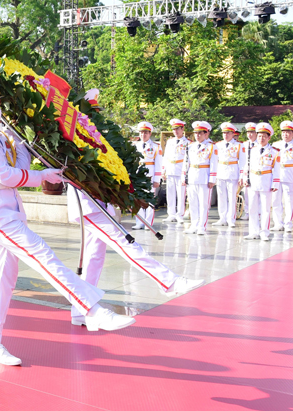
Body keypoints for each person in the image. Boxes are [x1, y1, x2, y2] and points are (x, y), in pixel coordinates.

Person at [0, 72, 134, 366]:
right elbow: (8, 175)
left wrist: (26, 141)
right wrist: (42, 176)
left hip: (12, 211)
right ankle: (92, 309)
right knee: (43, 255)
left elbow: (21, 163)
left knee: (4, 281)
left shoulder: (0, 134)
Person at [67, 186, 204, 326]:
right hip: (87, 204)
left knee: (94, 257)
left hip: (97, 204)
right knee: (124, 242)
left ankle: (80, 310)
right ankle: (169, 281)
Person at [243, 123, 280, 241]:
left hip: (266, 180)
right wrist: (245, 178)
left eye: (264, 136)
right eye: (259, 136)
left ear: (269, 137)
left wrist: (275, 183)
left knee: (265, 209)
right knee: (252, 208)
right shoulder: (251, 150)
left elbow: (277, 169)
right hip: (253, 180)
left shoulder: (274, 151)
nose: (261, 138)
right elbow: (246, 165)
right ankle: (253, 232)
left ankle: (264, 232)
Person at [182, 121, 218, 235]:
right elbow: (186, 162)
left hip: (204, 176)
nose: (197, 135)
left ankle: (202, 226)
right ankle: (194, 224)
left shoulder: (211, 146)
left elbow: (214, 163)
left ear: (206, 134)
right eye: (196, 133)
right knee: (193, 202)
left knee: (203, 203)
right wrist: (184, 176)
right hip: (192, 176)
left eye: (200, 133)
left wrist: (212, 179)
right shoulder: (190, 146)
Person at [213, 123, 246, 228]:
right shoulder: (218, 145)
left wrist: (242, 176)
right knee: (221, 197)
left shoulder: (239, 145)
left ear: (233, 134)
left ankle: (231, 219)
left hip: (233, 173)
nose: (225, 135)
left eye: (228, 133)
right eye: (224, 133)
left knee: (232, 198)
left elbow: (243, 163)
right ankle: (222, 218)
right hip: (221, 172)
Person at [131, 121, 162, 230]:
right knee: (138, 199)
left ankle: (148, 222)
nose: (143, 135)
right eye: (141, 132)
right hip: (137, 176)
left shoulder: (155, 147)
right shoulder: (134, 146)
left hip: (150, 176)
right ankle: (139, 221)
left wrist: (157, 179)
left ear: (150, 134)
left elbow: (158, 164)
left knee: (149, 200)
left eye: (146, 133)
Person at [162, 119, 189, 224]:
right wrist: (163, 170)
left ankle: (180, 214)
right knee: (170, 193)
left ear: (182, 129)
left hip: (180, 169)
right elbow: (166, 156)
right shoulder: (170, 142)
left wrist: (185, 172)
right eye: (174, 129)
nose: (175, 131)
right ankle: (171, 214)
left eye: (177, 129)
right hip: (170, 168)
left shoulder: (187, 142)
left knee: (181, 194)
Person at [271, 120, 293, 232]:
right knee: (275, 200)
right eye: (284, 132)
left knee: (289, 201)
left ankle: (288, 224)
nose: (285, 134)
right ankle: (277, 223)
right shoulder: (275, 145)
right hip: (276, 176)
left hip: (289, 175)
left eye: (288, 132)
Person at [240, 122, 258, 220]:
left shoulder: (260, 145)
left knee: (257, 194)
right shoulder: (243, 145)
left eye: (252, 132)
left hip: (257, 173)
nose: (250, 134)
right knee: (246, 193)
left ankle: (258, 213)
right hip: (246, 172)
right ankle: (247, 213)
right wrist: (242, 175)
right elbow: (242, 161)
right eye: (248, 132)